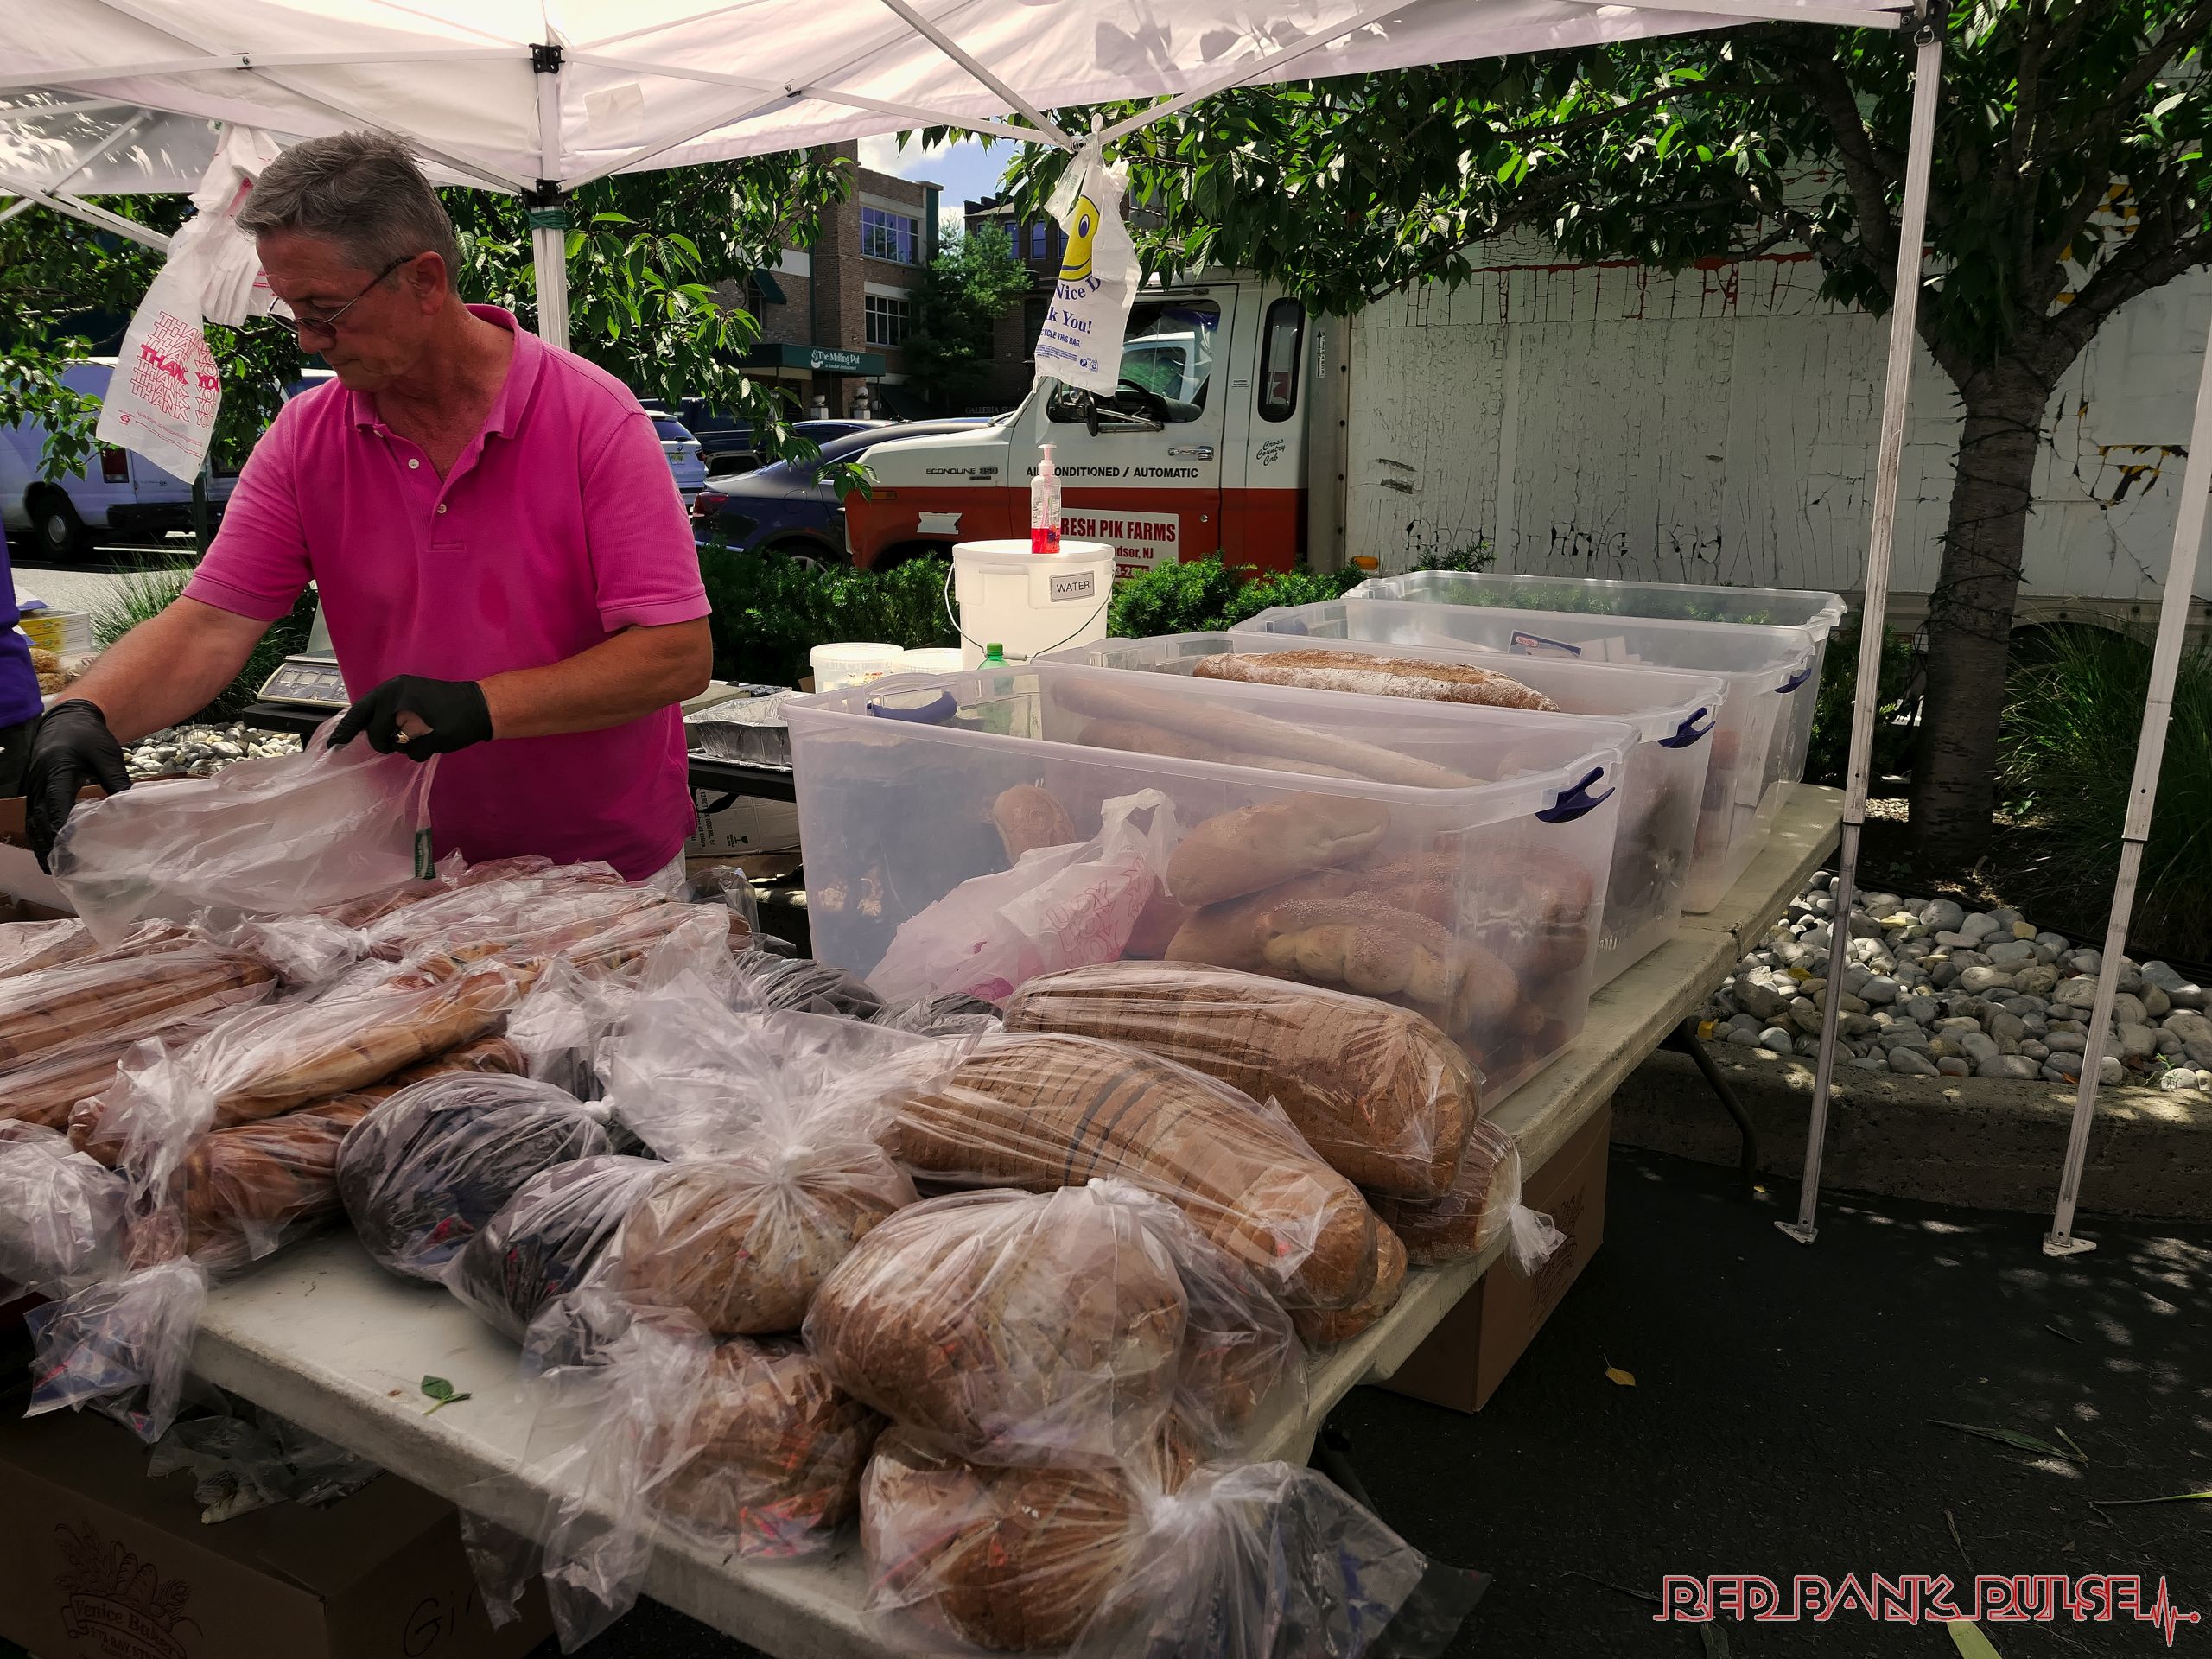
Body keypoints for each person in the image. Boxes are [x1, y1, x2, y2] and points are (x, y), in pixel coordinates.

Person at [22, 130, 712, 881]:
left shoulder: (592, 418)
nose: (310, 342)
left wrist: (482, 705)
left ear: (423, 281)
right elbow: (212, 625)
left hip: (606, 870)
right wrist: (82, 714)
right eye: (292, 312)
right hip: (407, 863)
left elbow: (674, 655)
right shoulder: (308, 436)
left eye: (325, 309)